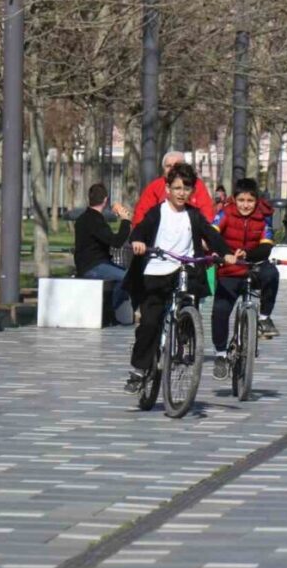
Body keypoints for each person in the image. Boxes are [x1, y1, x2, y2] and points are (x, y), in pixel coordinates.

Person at [123, 163, 234, 394]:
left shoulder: (193, 215)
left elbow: (210, 234)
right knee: (150, 322)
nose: (182, 193)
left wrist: (226, 253)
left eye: (187, 188)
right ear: (167, 189)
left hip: (184, 271)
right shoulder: (158, 212)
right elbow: (140, 230)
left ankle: (185, 339)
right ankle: (139, 370)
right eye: (177, 188)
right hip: (156, 271)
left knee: (188, 304)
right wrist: (138, 242)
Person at [210, 178, 281, 380]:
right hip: (229, 270)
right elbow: (212, 234)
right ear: (234, 199)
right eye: (241, 200)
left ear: (256, 201)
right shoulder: (224, 213)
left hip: (253, 266)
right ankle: (221, 354)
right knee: (220, 311)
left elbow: (266, 246)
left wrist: (247, 255)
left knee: (272, 274)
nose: (245, 205)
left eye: (250, 200)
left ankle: (265, 318)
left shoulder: (264, 217)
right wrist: (224, 254)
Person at [74, 183, 133, 324]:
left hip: (89, 264)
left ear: (89, 199)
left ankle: (109, 311)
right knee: (127, 277)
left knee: (123, 274)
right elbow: (116, 241)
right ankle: (109, 311)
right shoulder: (95, 220)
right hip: (93, 266)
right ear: (105, 200)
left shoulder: (83, 219)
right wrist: (125, 221)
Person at [133, 151, 215, 226]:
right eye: (168, 166)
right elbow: (141, 212)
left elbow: (206, 211)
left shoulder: (197, 184)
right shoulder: (155, 186)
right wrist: (139, 236)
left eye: (176, 166)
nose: (172, 169)